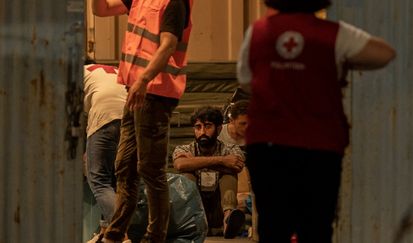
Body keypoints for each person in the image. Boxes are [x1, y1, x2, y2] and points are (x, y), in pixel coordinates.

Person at [236, 0, 396, 242]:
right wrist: (341, 63)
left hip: (267, 145)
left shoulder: (257, 31)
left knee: (272, 226)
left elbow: (246, 80)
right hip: (319, 146)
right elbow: (385, 54)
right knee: (316, 227)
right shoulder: (334, 34)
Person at [91, 0, 194, 242]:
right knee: (124, 166)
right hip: (135, 89)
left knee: (150, 168)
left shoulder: (174, 2)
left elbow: (168, 45)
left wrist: (144, 79)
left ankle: (155, 236)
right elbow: (101, 10)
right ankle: (115, 234)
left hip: (155, 91)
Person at [172, 106, 246, 239]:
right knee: (187, 175)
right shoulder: (183, 148)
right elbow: (180, 165)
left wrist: (194, 163)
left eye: (207, 126)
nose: (202, 132)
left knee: (229, 176)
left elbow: (237, 166)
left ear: (218, 129)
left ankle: (228, 221)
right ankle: (194, 224)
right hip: (196, 210)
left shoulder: (231, 148)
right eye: (198, 127)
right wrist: (222, 161)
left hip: (220, 208)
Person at [83, 63, 128, 243]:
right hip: (132, 113)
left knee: (99, 180)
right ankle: (106, 232)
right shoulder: (109, 69)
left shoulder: (73, 73)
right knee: (116, 180)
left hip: (105, 114)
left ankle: (122, 236)